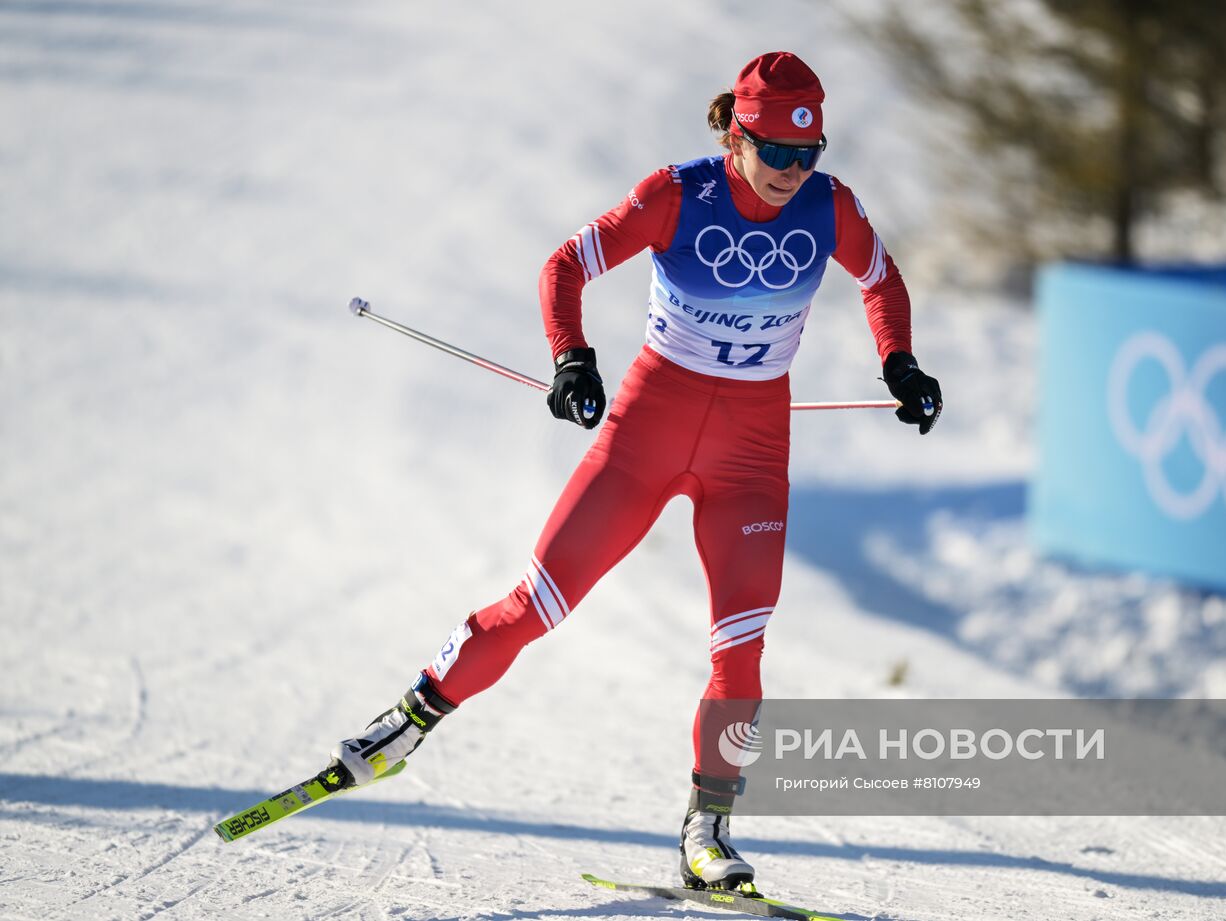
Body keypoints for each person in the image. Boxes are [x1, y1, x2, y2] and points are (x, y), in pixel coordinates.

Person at [325, 51, 942, 893]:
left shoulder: (832, 208)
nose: (795, 174)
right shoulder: (677, 193)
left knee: (742, 651)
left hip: (753, 458)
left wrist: (900, 365)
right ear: (736, 136)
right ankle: (408, 720)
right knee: (537, 604)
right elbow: (564, 266)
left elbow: (882, 280)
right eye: (778, 155)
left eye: (811, 154)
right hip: (645, 432)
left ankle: (708, 829)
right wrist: (572, 357)